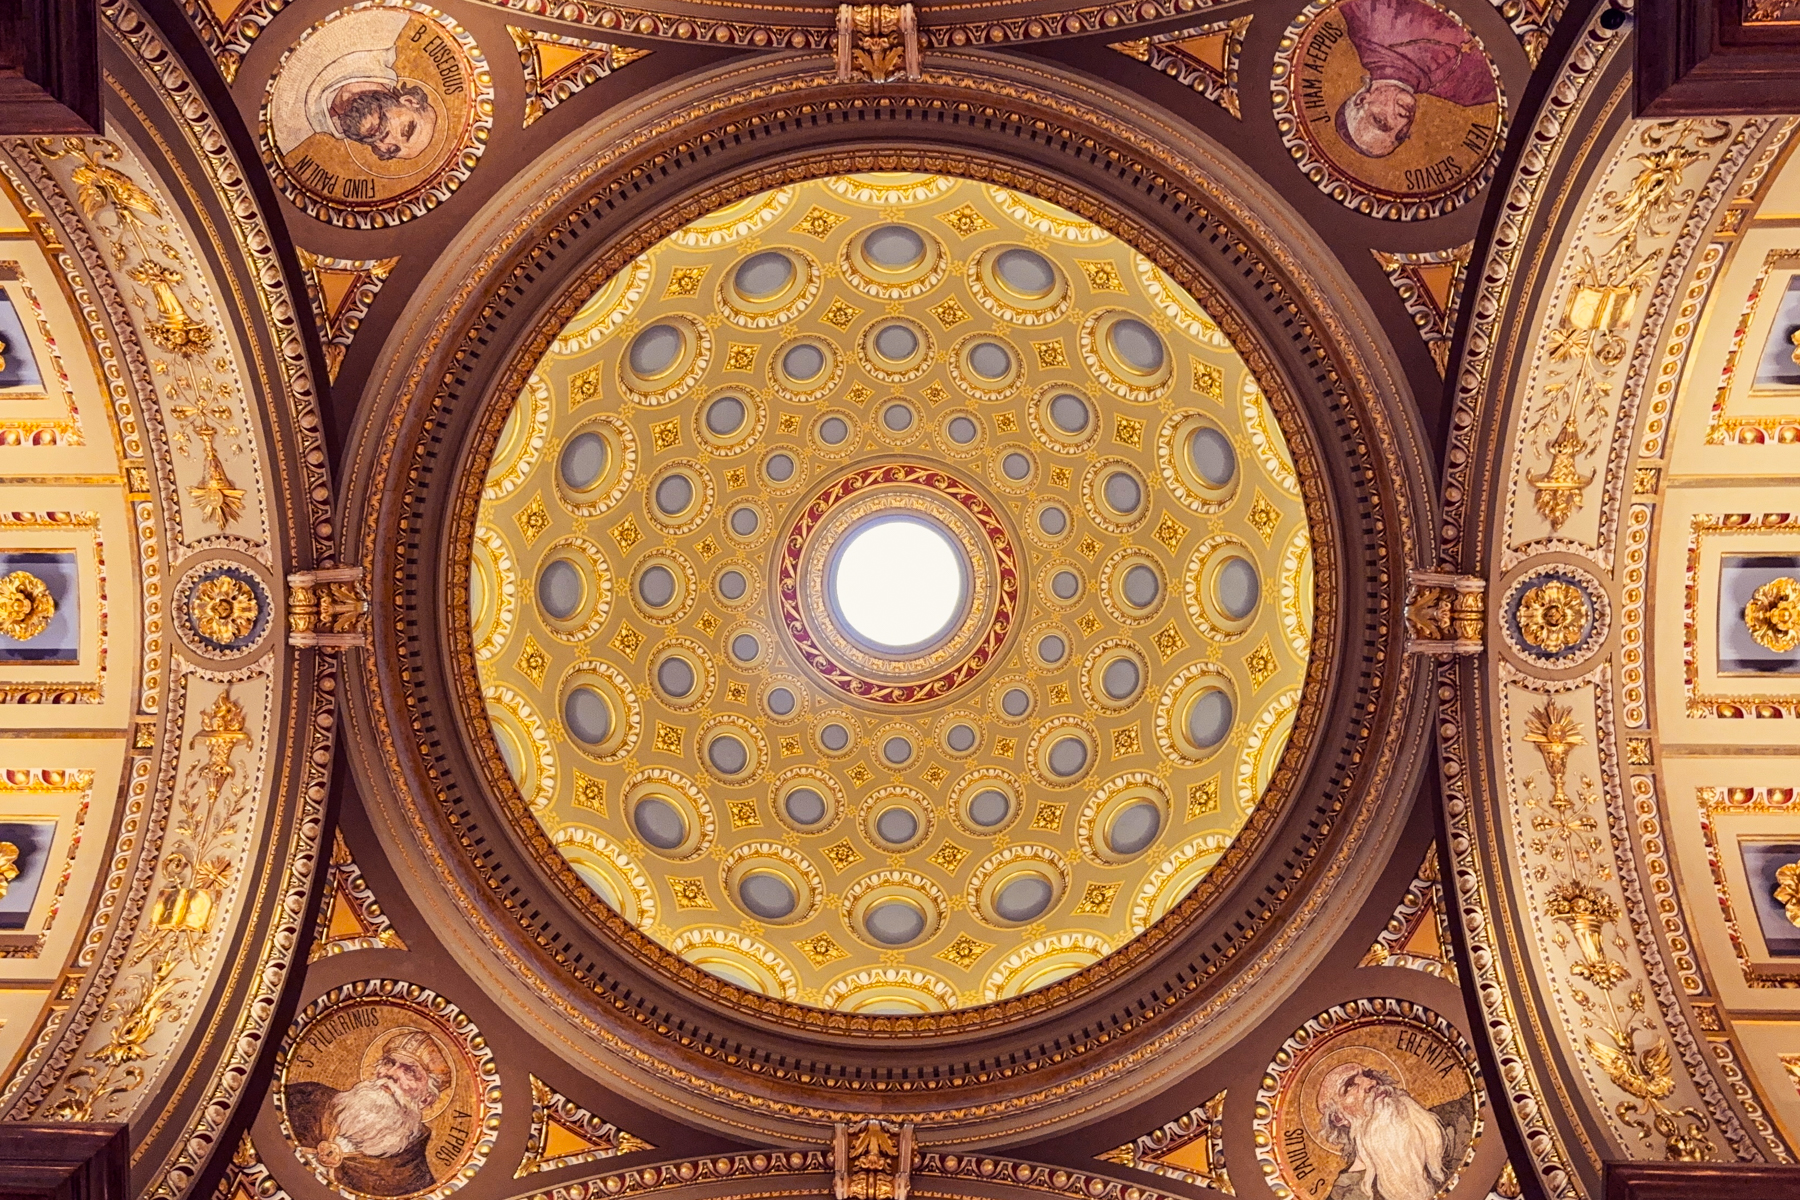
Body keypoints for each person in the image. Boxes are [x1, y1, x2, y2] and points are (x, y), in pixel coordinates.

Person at [286, 1028, 454, 1197]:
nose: (391, 1074)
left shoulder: (414, 1182)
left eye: (409, 1071)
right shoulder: (307, 1098)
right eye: (389, 1062)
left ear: (425, 1099)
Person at [1331, 0, 1497, 159]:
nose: (1402, 122)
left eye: (1381, 121)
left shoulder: (1364, 12)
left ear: (1362, 99)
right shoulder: (1468, 92)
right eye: (1401, 135)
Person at [1315, 1062, 1474, 1200]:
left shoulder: (1453, 1119)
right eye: (1350, 1086)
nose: (1371, 1082)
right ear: (1338, 1118)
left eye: (1368, 1075)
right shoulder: (1347, 1194)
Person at [301, 44, 437, 161]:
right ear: (409, 101)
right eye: (407, 130)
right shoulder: (382, 40)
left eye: (391, 150)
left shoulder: (297, 134)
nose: (386, 141)